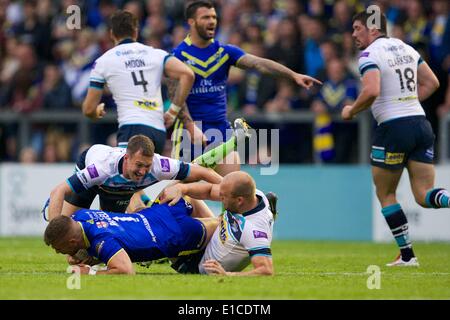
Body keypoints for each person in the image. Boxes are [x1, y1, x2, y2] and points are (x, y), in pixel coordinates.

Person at [341, 10, 449, 267]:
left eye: (357, 28)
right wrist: (406, 102)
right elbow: (432, 83)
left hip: (392, 128)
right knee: (424, 195)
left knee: (386, 193)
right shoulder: (406, 48)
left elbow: (372, 90)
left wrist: (351, 110)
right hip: (421, 124)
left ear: (374, 29)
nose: (354, 34)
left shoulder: (369, 54)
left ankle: (408, 255)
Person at [169, 0, 322, 176]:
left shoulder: (224, 52)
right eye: (205, 17)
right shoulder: (177, 56)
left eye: (214, 17)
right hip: (190, 134)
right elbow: (176, 97)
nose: (212, 21)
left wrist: (293, 75)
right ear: (191, 22)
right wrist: (190, 127)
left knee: (231, 190)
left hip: (220, 132)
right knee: (184, 195)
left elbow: (259, 63)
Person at [82, 10, 195, 153]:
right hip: (158, 131)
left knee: (128, 175)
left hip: (131, 128)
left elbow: (88, 109)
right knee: (150, 175)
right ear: (135, 31)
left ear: (111, 34)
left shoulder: (103, 61)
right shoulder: (156, 54)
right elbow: (188, 74)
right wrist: (173, 111)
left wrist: (96, 111)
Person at [46, 134, 222, 221]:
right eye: (139, 165)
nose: (143, 171)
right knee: (69, 229)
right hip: (92, 170)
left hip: (119, 188)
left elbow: (202, 171)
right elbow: (58, 191)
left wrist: (232, 186)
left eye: (147, 166)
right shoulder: (101, 168)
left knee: (112, 231)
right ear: (127, 158)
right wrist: (55, 230)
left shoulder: (160, 165)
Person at [44, 198, 219, 275]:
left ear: (73, 241)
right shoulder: (81, 215)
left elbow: (126, 270)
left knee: (225, 225)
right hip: (161, 211)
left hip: (176, 233)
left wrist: (89, 272)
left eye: (60, 249)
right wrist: (92, 257)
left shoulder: (102, 242)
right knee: (195, 201)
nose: (60, 253)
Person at [159, 171, 277, 276]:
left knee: (166, 228)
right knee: (177, 193)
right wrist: (182, 188)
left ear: (239, 200)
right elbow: (209, 191)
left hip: (195, 264)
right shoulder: (255, 195)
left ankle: (150, 247)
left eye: (223, 197)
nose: (220, 199)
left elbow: (265, 270)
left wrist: (227, 274)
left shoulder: (254, 231)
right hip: (214, 235)